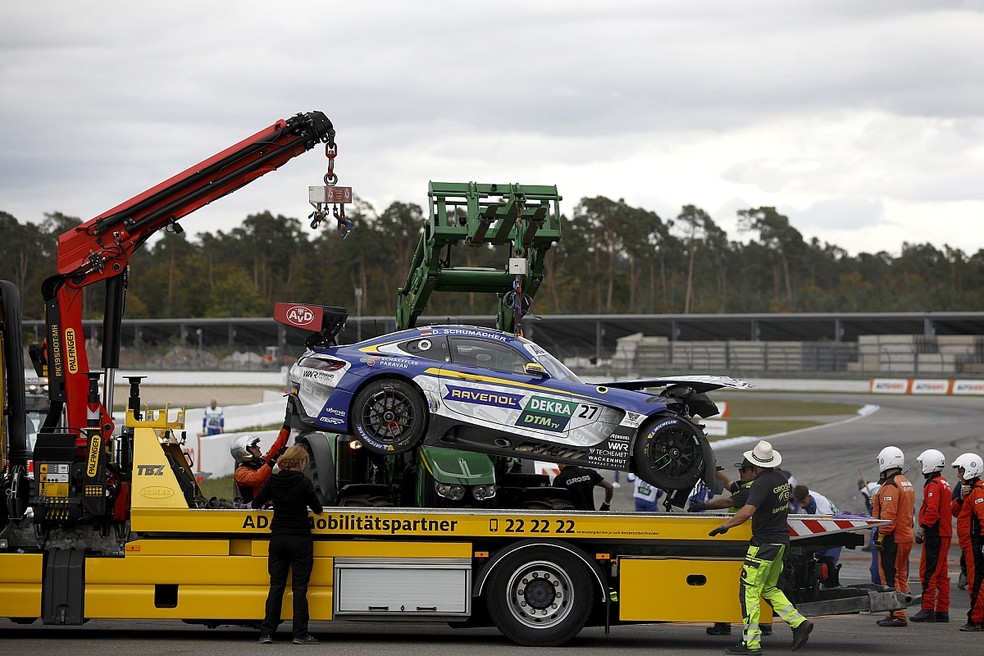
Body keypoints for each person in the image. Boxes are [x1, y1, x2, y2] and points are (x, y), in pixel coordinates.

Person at [707, 441, 813, 655]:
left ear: (756, 465)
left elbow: (747, 512)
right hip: (780, 542)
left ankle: (751, 643)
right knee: (769, 588)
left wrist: (725, 526)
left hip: (763, 544)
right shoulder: (782, 479)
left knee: (749, 590)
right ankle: (799, 623)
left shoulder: (761, 484)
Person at [691, 460, 772, 639]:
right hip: (745, 541)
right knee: (754, 584)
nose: (740, 473)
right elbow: (728, 483)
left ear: (754, 471)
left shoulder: (751, 490)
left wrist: (703, 506)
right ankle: (763, 623)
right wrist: (711, 469)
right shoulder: (747, 486)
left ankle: (725, 623)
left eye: (744, 470)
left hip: (740, 542)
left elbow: (727, 501)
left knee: (732, 583)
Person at [254, 445, 324, 645]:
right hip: (300, 539)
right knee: (300, 588)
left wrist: (273, 503)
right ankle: (299, 634)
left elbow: (257, 503)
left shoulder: (273, 480)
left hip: (278, 538)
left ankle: (267, 633)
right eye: (305, 462)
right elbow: (317, 509)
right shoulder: (304, 482)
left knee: (276, 586)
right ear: (300, 462)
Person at [872, 445, 915, 627]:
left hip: (893, 538)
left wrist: (880, 536)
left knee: (890, 577)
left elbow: (888, 518)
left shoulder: (890, 485)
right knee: (901, 574)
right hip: (905, 536)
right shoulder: (905, 482)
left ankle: (897, 614)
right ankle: (899, 610)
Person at [909, 448, 952, 623]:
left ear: (929, 464)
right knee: (941, 573)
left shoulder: (933, 484)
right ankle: (942, 610)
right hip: (944, 534)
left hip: (936, 534)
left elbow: (932, 511)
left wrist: (922, 528)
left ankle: (927, 609)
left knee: (928, 572)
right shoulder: (944, 482)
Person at [950, 452, 984, 631]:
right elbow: (955, 512)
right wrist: (961, 499)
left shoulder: (978, 491)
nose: (958, 475)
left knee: (976, 583)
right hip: (971, 544)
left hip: (976, 544)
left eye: (961, 471)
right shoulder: (970, 492)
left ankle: (976, 620)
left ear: (970, 470)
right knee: (977, 582)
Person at [232, 423, 290, 505]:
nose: (258, 447)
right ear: (243, 451)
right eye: (254, 446)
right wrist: (273, 460)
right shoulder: (240, 473)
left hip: (267, 506)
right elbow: (257, 478)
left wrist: (286, 426)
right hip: (252, 509)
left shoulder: (262, 462)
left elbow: (277, 446)